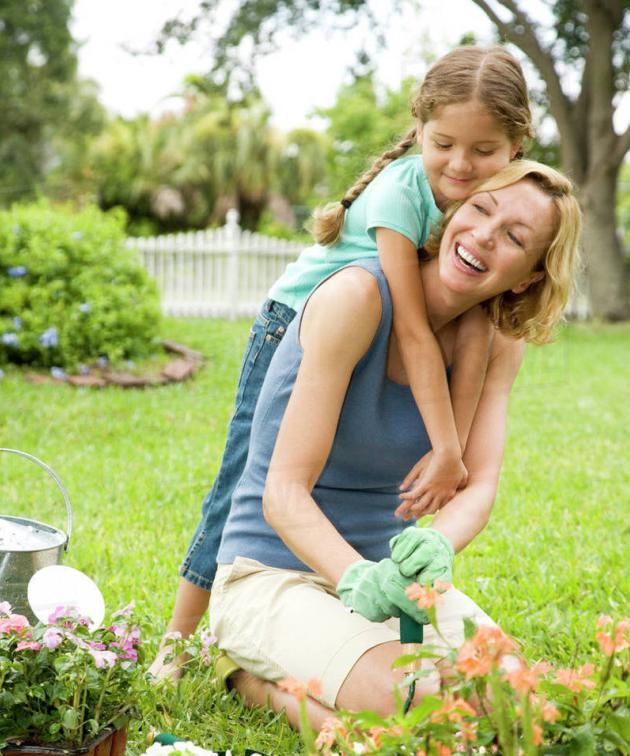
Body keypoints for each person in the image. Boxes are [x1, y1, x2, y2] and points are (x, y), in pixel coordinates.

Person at [150, 45, 534, 678]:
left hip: (383, 327)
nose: (461, 166)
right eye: (443, 143)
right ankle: (181, 639)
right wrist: (444, 445)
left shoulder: (488, 209)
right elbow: (411, 327)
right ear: (419, 127)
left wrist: (451, 456)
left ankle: (337, 595)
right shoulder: (400, 194)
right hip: (300, 323)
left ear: (515, 146)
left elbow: (469, 327)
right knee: (240, 479)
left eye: (484, 151)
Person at [209, 161, 582, 728]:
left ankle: (320, 672)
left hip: (396, 585)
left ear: (528, 276)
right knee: (422, 702)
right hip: (272, 576)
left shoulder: (497, 341)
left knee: (516, 701)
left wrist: (438, 548)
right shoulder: (358, 297)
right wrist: (357, 578)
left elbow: (478, 485)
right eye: (481, 209)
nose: (484, 236)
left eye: (514, 238)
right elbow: (282, 492)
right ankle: (248, 678)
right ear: (453, 210)